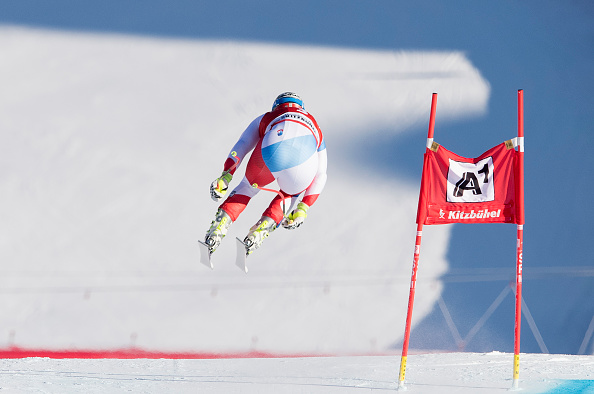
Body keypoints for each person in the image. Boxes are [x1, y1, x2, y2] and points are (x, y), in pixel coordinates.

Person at [205, 92, 327, 256]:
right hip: (305, 164)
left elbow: (242, 144)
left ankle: (218, 228)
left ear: (277, 105)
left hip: (273, 149)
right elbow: (321, 174)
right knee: (290, 194)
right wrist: (303, 207)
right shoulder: (316, 127)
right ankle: (260, 232)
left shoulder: (270, 115)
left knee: (247, 188)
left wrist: (227, 175)